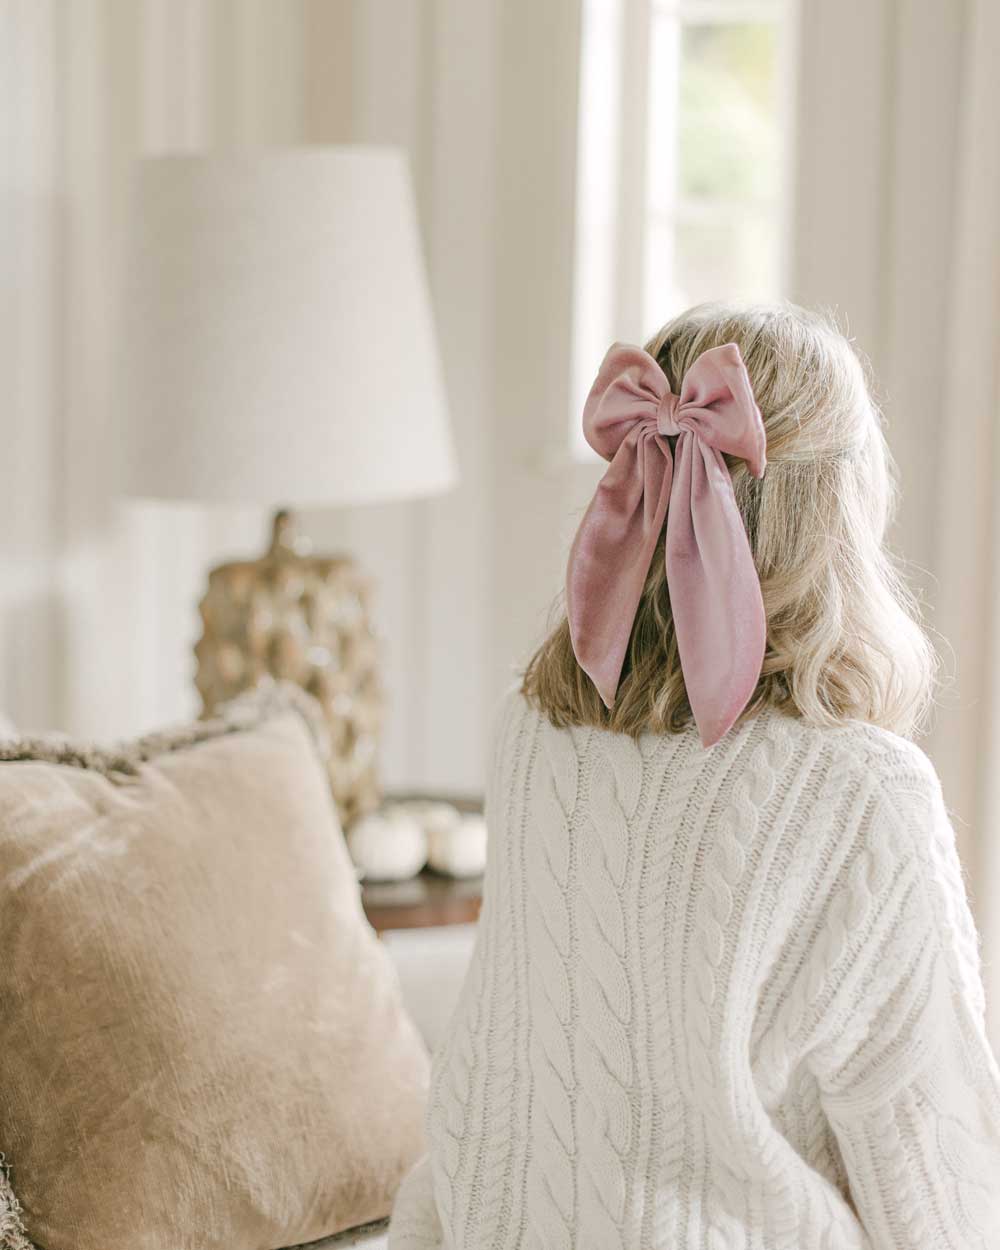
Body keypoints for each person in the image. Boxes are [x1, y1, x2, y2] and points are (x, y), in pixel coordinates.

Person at [388, 301, 1000, 1249]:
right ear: (838, 509)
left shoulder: (533, 738)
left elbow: (492, 1074)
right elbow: (937, 1176)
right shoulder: (864, 793)